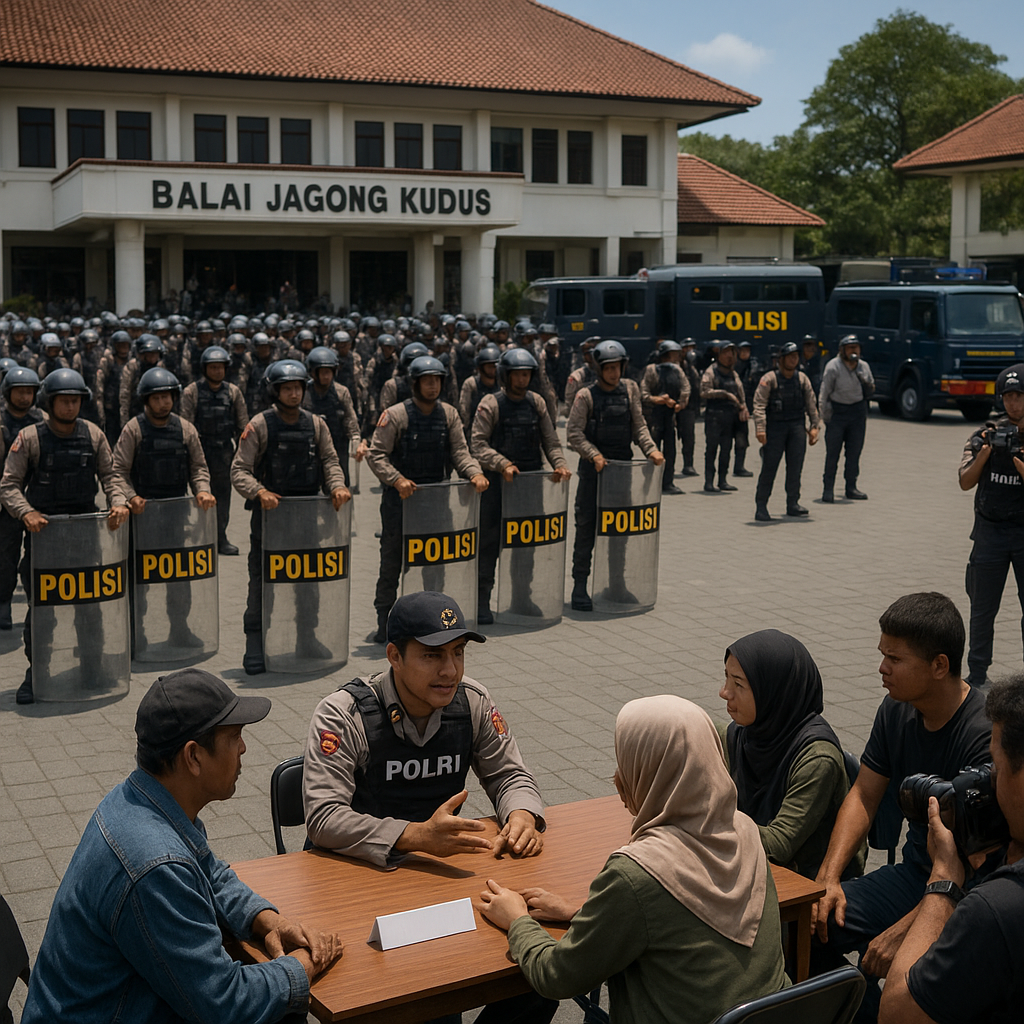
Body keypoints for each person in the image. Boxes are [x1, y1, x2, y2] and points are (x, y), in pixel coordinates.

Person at [21, 668, 344, 1024]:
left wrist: (266, 920)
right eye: (234, 736)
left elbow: (210, 871)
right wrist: (302, 965)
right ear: (193, 757)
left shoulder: (144, 797)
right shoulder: (156, 866)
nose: (244, 747)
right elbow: (224, 1004)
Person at [303, 592, 555, 1024]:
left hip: (441, 885)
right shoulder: (344, 714)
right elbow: (324, 818)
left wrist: (521, 817)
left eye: (459, 653)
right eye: (432, 655)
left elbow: (510, 775)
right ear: (394, 656)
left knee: (541, 976)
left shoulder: (472, 701)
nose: (450, 670)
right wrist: (417, 836)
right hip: (359, 888)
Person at [479, 695, 789, 1024]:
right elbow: (681, 926)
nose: (618, 776)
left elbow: (558, 977)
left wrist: (517, 921)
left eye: (626, 762)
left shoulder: (637, 873)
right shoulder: (744, 830)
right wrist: (584, 914)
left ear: (648, 772)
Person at [810, 593, 993, 1023]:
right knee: (807, 927)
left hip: (967, 894)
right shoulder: (895, 710)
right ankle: (863, 1008)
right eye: (882, 655)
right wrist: (828, 877)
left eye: (894, 658)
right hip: (913, 875)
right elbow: (863, 796)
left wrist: (907, 930)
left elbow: (983, 868)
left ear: (939, 666)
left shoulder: (983, 738)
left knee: (910, 978)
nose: (881, 668)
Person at [879, 674, 1024, 1024]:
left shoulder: (997, 909)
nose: (991, 783)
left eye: (996, 768)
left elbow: (897, 1013)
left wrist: (945, 877)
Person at [0, 369, 128, 704]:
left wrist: (118, 503)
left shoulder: (94, 434)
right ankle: (36, 673)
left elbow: (111, 476)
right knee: (42, 612)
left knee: (91, 609)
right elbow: (9, 485)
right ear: (50, 402)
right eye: (63, 401)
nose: (70, 407)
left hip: (87, 536)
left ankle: (92, 668)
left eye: (75, 401)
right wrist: (25, 512)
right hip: (44, 539)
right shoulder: (29, 437)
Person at [230, 359, 350, 675]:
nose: (293, 394)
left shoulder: (317, 423)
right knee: (261, 581)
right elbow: (239, 470)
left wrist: (337, 486)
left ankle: (307, 638)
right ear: (276, 391)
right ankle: (254, 644)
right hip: (270, 520)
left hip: (308, 519)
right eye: (287, 389)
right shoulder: (260, 424)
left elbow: (330, 460)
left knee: (308, 583)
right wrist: (259, 491)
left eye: (298, 388)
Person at [719, 629, 864, 880]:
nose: (724, 692)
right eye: (726, 679)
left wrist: (708, 820)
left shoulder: (817, 759)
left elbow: (779, 845)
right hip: (752, 866)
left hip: (808, 882)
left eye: (738, 684)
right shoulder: (740, 734)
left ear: (773, 692)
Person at [366, 356, 488, 644]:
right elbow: (376, 454)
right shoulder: (396, 414)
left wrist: (474, 473)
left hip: (437, 503)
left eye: (437, 380)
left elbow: (460, 451)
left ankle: (434, 621)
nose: (432, 386)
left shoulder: (449, 414)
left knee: (435, 565)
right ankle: (385, 622)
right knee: (392, 563)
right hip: (401, 504)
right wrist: (397, 479)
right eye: (426, 380)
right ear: (415, 383)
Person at [111, 367, 215, 656]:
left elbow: (199, 468)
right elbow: (118, 471)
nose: (163, 402)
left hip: (176, 516)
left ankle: (180, 629)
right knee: (138, 580)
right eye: (157, 398)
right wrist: (130, 497)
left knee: (179, 579)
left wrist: (202, 490)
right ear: (146, 400)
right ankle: (136, 633)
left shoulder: (185, 429)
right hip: (142, 519)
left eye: (168, 396)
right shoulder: (133, 429)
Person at [470, 348, 570, 624]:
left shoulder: (537, 402)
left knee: (525, 545)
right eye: (518, 375)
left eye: (527, 374)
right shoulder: (490, 403)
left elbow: (550, 440)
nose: (523, 379)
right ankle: (482, 601)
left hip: (530, 486)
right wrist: (501, 463)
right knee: (489, 545)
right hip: (498, 486)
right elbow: (477, 444)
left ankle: (521, 598)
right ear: (506, 375)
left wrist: (559, 464)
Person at [566, 340, 663, 612]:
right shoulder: (585, 395)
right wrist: (593, 454)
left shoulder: (630, 389)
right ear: (599, 369)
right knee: (586, 530)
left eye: (617, 367)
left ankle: (617, 585)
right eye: (608, 368)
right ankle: (579, 587)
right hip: (593, 473)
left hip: (622, 473)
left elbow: (639, 426)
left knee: (619, 532)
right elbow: (573, 433)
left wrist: (652, 450)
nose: (613, 373)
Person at [958, 363, 1024, 689]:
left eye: (1020, 396)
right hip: (989, 533)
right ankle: (978, 674)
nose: (1014, 403)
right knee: (982, 610)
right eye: (1008, 396)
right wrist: (985, 452)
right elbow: (965, 481)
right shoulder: (984, 434)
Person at [181, 344, 250, 556]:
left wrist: (244, 455)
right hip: (199, 454)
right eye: (213, 367)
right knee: (200, 496)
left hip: (224, 453)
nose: (217, 371)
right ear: (205, 369)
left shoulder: (233, 392)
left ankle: (220, 537)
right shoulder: (191, 391)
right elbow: (186, 426)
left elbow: (243, 426)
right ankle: (200, 538)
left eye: (220, 367)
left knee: (222, 496)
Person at [752, 340, 821, 520]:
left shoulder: (802, 379)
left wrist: (815, 427)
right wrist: (760, 428)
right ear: (781, 359)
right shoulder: (769, 379)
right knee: (769, 467)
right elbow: (759, 404)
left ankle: (793, 503)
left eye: (796, 357)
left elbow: (812, 404)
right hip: (775, 428)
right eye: (789, 357)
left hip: (797, 427)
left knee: (795, 467)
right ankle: (761, 506)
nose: (793, 360)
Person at [0, 367, 43, 630]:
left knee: (37, 558)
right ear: (8, 393)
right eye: (20, 392)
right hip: (7, 503)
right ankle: (3, 604)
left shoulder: (43, 420)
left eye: (29, 392)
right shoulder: (2, 422)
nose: (25, 397)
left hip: (38, 500)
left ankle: (37, 606)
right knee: (6, 557)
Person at [819, 334, 873, 502]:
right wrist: (823, 417)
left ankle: (851, 487)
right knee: (833, 453)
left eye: (856, 348)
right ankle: (828, 488)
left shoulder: (863, 367)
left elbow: (871, 389)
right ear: (842, 350)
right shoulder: (833, 367)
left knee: (854, 452)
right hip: (838, 413)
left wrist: (865, 382)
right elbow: (824, 393)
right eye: (850, 348)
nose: (853, 351)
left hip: (857, 413)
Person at [301, 346, 362, 488]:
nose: (326, 376)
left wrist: (355, 438)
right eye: (322, 372)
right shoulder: (304, 393)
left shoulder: (341, 392)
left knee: (340, 481)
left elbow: (349, 417)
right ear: (313, 373)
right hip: (310, 444)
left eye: (329, 372)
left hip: (337, 443)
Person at [639, 340, 689, 494]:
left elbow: (686, 388)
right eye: (673, 355)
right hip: (654, 416)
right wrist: (659, 400)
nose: (675, 358)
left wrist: (680, 403)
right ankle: (651, 484)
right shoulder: (652, 370)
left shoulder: (677, 371)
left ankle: (668, 482)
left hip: (669, 417)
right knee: (653, 451)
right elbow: (644, 393)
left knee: (670, 451)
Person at [700, 340, 748, 493]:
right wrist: (724, 394)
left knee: (726, 449)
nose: (730, 356)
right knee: (712, 449)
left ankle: (722, 480)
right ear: (719, 354)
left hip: (730, 418)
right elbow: (704, 391)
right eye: (726, 352)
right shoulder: (711, 371)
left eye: (732, 353)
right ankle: (709, 482)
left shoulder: (734, 374)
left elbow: (741, 395)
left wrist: (744, 408)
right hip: (714, 417)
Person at [459, 342, 501, 431]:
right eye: (489, 367)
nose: (492, 370)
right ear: (480, 368)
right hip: (476, 428)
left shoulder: (501, 383)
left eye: (494, 366)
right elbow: (464, 408)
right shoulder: (471, 383)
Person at [676, 338, 701, 477]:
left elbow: (696, 387)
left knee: (689, 436)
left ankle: (688, 465)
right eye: (687, 347)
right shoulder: (672, 367)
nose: (690, 351)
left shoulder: (690, 368)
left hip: (688, 407)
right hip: (671, 406)